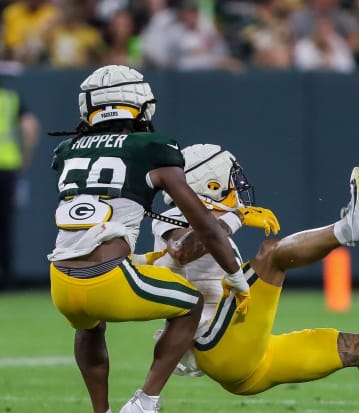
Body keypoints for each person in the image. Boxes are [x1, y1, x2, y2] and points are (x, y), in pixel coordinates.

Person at [149, 144, 359, 413]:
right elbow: (182, 249)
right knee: (270, 254)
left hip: (252, 358)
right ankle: (346, 230)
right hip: (214, 345)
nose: (237, 185)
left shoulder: (209, 220)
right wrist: (235, 216)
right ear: (211, 185)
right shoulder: (175, 214)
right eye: (230, 179)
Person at [47, 64, 250, 413]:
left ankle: (101, 410)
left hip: (61, 284)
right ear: (139, 103)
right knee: (190, 303)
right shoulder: (152, 147)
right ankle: (145, 401)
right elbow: (203, 223)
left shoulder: (67, 150)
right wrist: (235, 276)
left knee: (90, 326)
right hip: (109, 278)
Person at [0, 62, 40, 290]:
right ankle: (9, 280)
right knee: (5, 226)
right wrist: (25, 160)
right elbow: (30, 128)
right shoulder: (11, 98)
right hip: (7, 168)